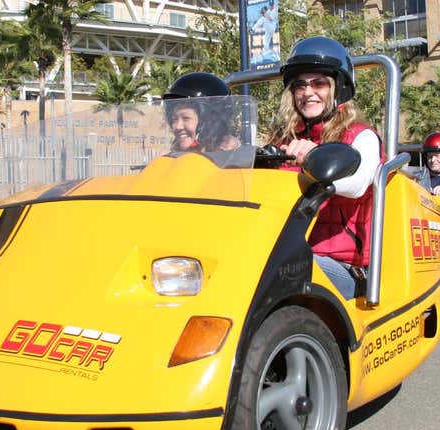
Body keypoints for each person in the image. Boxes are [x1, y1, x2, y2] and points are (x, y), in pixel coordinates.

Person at [267, 36, 382, 300]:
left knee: (280, 272)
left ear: (338, 88)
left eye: (319, 83)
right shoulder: (282, 140)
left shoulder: (360, 136)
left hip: (343, 264)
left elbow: (357, 183)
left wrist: (313, 159)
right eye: (300, 85)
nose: (308, 92)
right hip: (286, 250)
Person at [162, 72, 239, 153]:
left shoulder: (232, 159)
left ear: (210, 121)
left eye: (186, 118)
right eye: (174, 119)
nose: (178, 126)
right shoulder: (171, 158)